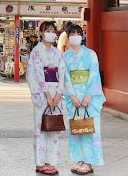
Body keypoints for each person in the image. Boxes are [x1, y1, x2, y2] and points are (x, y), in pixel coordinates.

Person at [63, 24, 106, 175]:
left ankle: (89, 162)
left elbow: (94, 75)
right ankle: (79, 159)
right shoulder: (65, 56)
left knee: (90, 130)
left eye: (78, 33)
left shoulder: (91, 54)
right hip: (73, 98)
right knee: (76, 129)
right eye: (72, 33)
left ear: (82, 35)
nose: (75, 36)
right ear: (68, 36)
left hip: (90, 97)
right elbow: (65, 77)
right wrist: (72, 96)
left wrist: (88, 96)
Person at [26, 21, 66, 175]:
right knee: (41, 128)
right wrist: (47, 94)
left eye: (52, 30)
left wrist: (58, 93)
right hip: (43, 94)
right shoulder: (36, 51)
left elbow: (61, 72)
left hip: (56, 92)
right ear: (41, 33)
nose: (50, 33)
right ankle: (40, 163)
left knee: (54, 128)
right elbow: (35, 73)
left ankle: (51, 161)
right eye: (47, 30)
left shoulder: (57, 53)